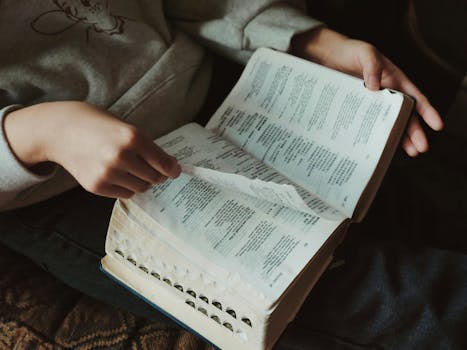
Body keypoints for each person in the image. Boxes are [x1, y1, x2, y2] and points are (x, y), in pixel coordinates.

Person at [1, 1, 460, 349]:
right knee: (389, 300)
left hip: (210, 78)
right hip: (61, 180)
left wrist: (310, 42)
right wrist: (41, 133)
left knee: (428, 197)